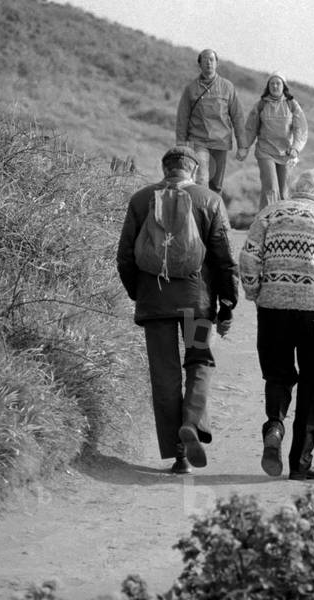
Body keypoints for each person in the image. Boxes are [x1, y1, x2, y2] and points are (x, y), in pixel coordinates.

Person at [116, 146, 240, 474]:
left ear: (164, 168)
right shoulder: (210, 200)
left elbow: (125, 257)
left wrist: (138, 293)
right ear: (193, 170)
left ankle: (178, 454)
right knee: (200, 362)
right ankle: (192, 421)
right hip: (197, 307)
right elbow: (224, 258)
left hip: (154, 305)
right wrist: (227, 304)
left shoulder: (141, 200)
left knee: (165, 375)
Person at [239, 168, 314, 480]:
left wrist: (256, 293)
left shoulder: (270, 214)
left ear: (296, 189)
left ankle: (275, 425)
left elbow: (249, 257)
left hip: (274, 311)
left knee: (278, 374)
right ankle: (300, 463)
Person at [175, 48, 246, 194]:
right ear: (199, 64)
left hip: (221, 142)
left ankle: (211, 213)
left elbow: (237, 116)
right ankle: (200, 211)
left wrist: (242, 145)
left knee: (216, 185)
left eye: (212, 60)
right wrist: (181, 144)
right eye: (205, 60)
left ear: (217, 63)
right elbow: (182, 118)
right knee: (201, 179)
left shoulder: (227, 87)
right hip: (199, 141)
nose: (208, 63)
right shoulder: (191, 89)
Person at [237, 72, 308, 210]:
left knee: (283, 192)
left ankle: (281, 221)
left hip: (286, 153)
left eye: (278, 83)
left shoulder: (292, 105)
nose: (275, 86)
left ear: (284, 86)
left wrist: (296, 148)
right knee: (271, 187)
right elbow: (250, 128)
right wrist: (244, 147)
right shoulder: (261, 105)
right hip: (265, 151)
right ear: (268, 86)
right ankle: (265, 220)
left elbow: (301, 128)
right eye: (272, 83)